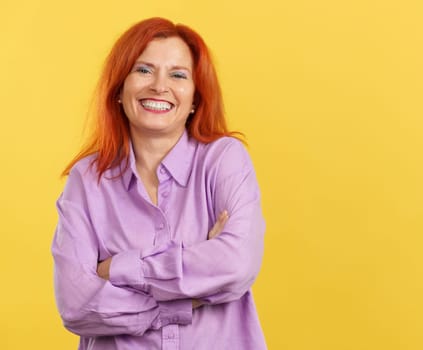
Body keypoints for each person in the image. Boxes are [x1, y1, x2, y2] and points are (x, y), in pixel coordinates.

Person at [51, 17, 266, 350]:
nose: (159, 86)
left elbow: (237, 264)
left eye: (178, 74)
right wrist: (191, 289)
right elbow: (76, 305)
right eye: (144, 70)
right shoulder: (86, 180)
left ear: (195, 98)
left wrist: (116, 269)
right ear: (119, 89)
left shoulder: (224, 159)